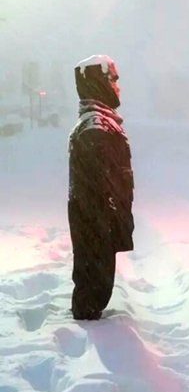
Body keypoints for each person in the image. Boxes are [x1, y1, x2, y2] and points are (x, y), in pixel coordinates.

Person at [68, 55, 134, 320]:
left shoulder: (98, 122)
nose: (117, 87)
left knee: (96, 280)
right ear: (98, 83)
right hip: (97, 220)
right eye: (112, 80)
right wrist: (109, 217)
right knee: (94, 284)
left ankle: (89, 319)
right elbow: (101, 184)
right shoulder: (96, 127)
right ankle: (89, 332)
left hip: (97, 219)